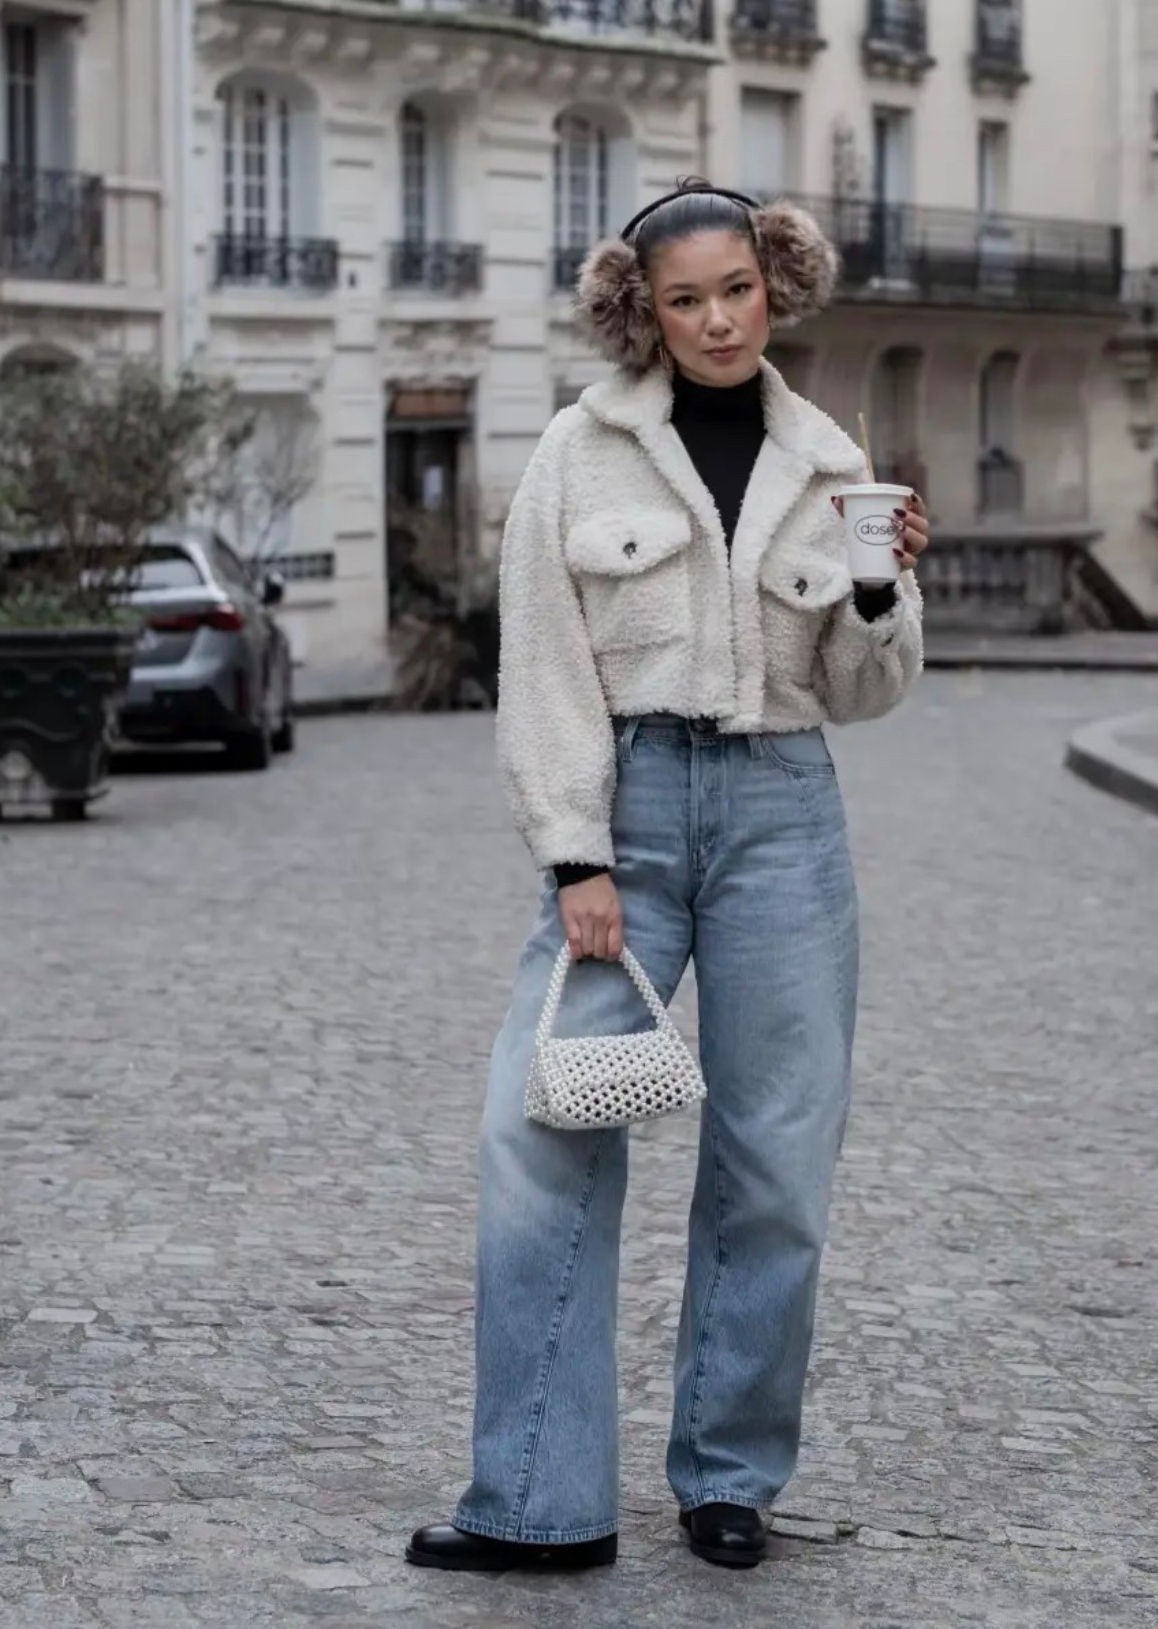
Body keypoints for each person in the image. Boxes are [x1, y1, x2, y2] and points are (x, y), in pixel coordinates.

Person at [407, 182, 928, 1575]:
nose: (713, 319)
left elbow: (861, 692)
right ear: (644, 305)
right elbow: (546, 668)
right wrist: (575, 854)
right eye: (684, 296)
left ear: (778, 287)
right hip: (624, 815)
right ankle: (535, 1499)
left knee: (776, 1163)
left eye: (737, 290)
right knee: (542, 1144)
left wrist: (881, 598)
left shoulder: (829, 462)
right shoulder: (582, 451)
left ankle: (728, 1478)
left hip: (783, 817)